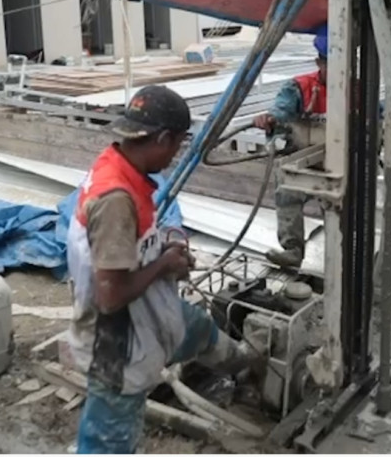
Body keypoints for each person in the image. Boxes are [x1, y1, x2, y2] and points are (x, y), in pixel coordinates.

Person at [67, 84, 256, 454]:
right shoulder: (115, 200)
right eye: (178, 145)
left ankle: (249, 366)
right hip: (117, 344)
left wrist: (164, 250)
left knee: (200, 328)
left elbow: (130, 246)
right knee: (110, 437)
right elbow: (111, 295)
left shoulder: (118, 165)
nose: (175, 156)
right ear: (164, 139)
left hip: (150, 313)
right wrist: (165, 264)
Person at [254, 25, 329, 268]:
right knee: (287, 190)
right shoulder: (299, 87)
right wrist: (271, 119)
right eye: (331, 63)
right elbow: (281, 110)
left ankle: (344, 251)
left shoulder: (360, 89)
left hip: (343, 162)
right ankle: (293, 249)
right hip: (305, 160)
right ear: (319, 62)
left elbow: (378, 118)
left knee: (344, 209)